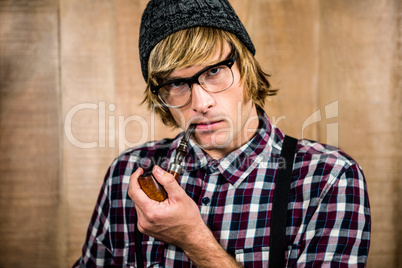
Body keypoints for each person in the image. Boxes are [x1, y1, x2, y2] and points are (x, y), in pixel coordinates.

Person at [74, 0, 371, 267]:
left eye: (214, 71)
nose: (201, 103)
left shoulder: (328, 178)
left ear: (247, 69)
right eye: (177, 84)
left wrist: (193, 239)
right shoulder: (129, 174)